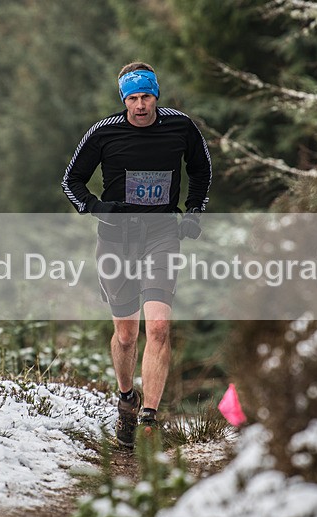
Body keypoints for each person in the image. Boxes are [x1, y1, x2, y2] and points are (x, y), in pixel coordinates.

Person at [61, 61, 212, 447]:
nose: (140, 104)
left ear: (156, 95)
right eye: (133, 98)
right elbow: (71, 180)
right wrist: (98, 208)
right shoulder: (105, 132)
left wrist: (195, 209)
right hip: (116, 239)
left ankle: (149, 418)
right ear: (124, 99)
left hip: (163, 234)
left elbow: (201, 169)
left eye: (146, 96)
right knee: (126, 335)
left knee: (158, 328)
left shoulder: (181, 127)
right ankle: (127, 399)